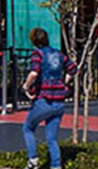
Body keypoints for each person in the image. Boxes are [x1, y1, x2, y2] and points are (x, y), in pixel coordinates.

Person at [22, 28, 76, 169]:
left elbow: (34, 73)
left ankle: (33, 159)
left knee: (28, 127)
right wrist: (65, 82)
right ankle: (56, 165)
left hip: (44, 99)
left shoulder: (37, 54)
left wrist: (26, 86)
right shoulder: (58, 54)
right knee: (52, 138)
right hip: (59, 102)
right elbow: (73, 68)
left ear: (34, 40)